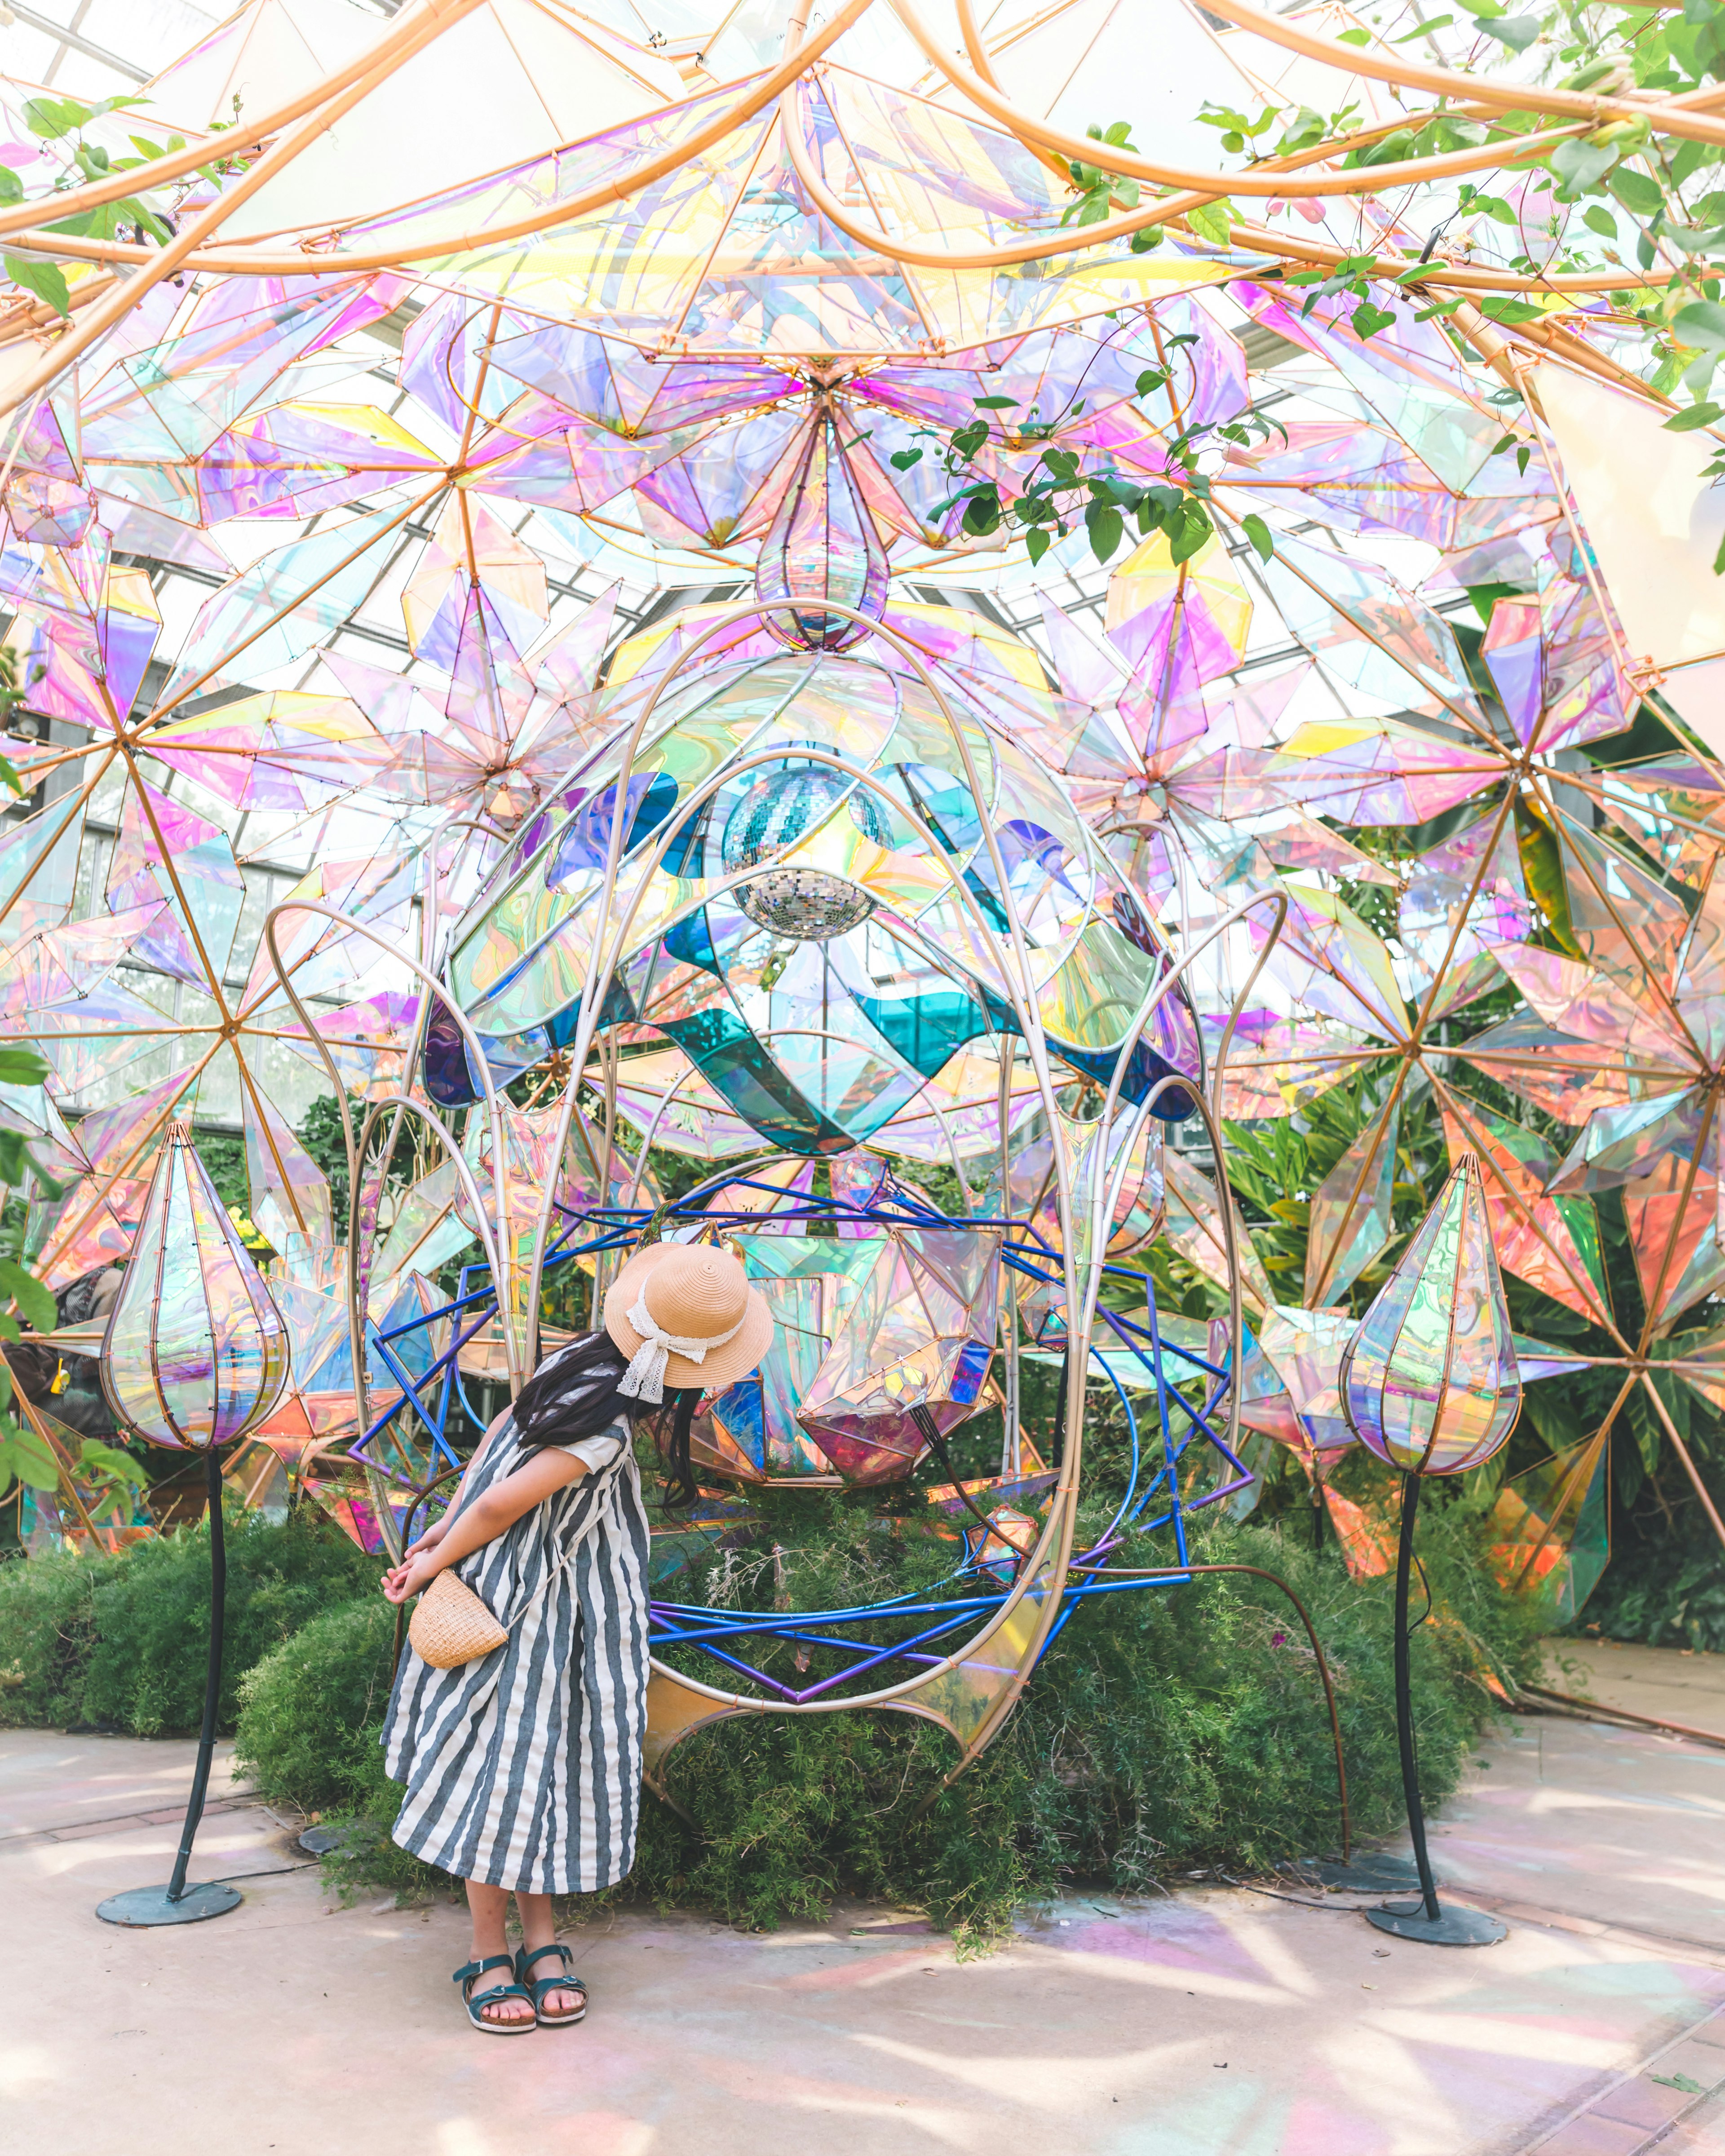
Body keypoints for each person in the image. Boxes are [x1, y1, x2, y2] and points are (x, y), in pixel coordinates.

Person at [380, 1240, 772, 2034]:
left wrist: (436, 1539)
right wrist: (433, 1560)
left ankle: (542, 1940)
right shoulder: (606, 1432)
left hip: (560, 1620)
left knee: (537, 1778)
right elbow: (501, 1501)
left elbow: (487, 1453)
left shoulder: (577, 1372)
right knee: (505, 1778)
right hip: (526, 1619)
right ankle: (491, 1949)